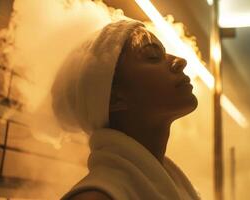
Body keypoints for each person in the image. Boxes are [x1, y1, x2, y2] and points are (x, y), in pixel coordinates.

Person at [51, 20, 200, 200]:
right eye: (153, 56)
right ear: (114, 98)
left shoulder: (176, 187)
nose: (180, 61)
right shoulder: (97, 197)